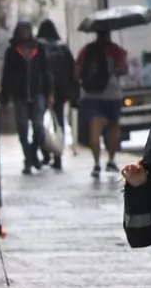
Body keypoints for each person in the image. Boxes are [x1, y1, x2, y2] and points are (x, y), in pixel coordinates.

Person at [0, 20, 54, 175]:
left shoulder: (39, 48)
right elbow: (7, 75)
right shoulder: (12, 51)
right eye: (22, 30)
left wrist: (49, 93)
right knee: (22, 128)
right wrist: (4, 98)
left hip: (37, 93)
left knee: (38, 127)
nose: (25, 33)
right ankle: (28, 159)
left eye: (27, 29)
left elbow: (46, 72)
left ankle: (33, 153)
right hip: (20, 95)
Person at [77, 29, 128, 179]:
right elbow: (124, 69)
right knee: (113, 127)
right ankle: (111, 161)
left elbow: (76, 72)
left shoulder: (86, 50)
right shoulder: (115, 50)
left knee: (95, 127)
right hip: (112, 94)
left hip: (90, 95)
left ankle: (96, 163)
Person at [36, 19, 78, 171]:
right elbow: (73, 72)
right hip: (61, 92)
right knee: (59, 123)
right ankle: (58, 156)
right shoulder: (62, 48)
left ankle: (45, 153)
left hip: (41, 90)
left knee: (39, 123)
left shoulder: (38, 46)